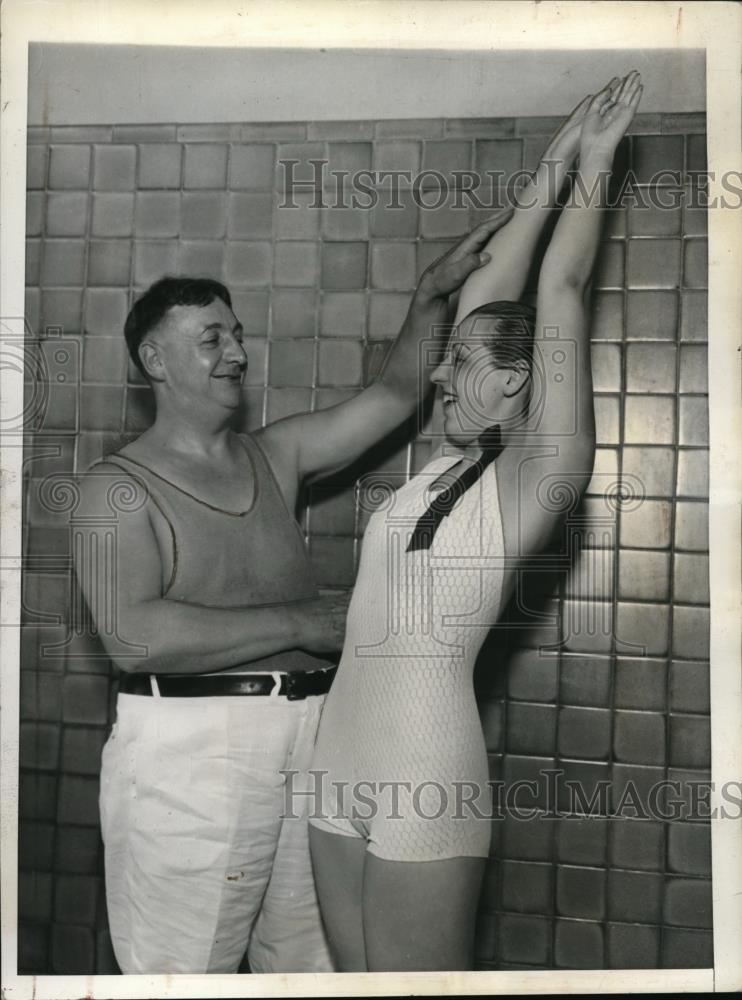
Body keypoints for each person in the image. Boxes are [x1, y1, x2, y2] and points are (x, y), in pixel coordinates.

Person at [73, 207, 514, 972]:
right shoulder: (114, 489)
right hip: (191, 752)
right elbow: (133, 636)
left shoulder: (276, 454)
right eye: (211, 337)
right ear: (155, 358)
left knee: (312, 969)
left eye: (238, 334)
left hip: (315, 738)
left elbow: (393, 395)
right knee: (185, 975)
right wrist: (303, 620)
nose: (237, 351)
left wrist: (429, 296)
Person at [308, 72, 643, 971]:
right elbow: (490, 286)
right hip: (336, 761)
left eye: (460, 363)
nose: (442, 376)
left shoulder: (538, 478)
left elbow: (560, 287)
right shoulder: (443, 466)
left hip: (425, 775)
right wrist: (550, 158)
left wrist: (597, 164)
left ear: (515, 381)